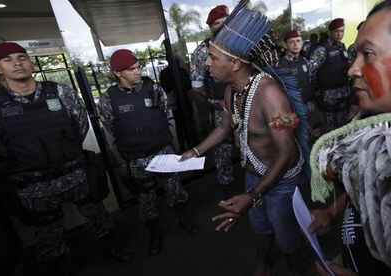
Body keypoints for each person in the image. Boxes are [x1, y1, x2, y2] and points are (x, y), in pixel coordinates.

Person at [181, 7, 310, 275]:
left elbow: (285, 153)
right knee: (259, 227)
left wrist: (251, 196)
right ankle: (263, 264)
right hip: (254, 176)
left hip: (282, 180)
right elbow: (225, 127)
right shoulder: (232, 90)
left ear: (235, 64)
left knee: (287, 238)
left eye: (213, 58)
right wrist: (195, 151)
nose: (207, 64)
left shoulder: (269, 94)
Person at [0, 42, 133, 275]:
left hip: (73, 172)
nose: (17, 63)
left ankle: (111, 247)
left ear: (30, 62)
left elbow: (79, 123)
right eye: (8, 60)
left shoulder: (58, 91)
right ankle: (60, 265)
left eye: (21, 57)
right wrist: (29, 155)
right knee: (48, 230)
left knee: (97, 215)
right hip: (34, 183)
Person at [308, 1, 391, 274]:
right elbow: (367, 185)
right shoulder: (372, 125)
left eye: (368, 54)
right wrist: (332, 212)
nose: (353, 69)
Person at [99, 49, 198, 257]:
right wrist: (122, 162)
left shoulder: (154, 89)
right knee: (146, 199)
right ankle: (155, 233)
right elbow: (111, 133)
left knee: (175, 189)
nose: (138, 72)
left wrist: (175, 149)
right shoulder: (108, 99)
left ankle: (183, 220)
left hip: (163, 151)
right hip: (136, 159)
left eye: (139, 67)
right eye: (131, 69)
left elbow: (166, 117)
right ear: (118, 73)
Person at [190, 4, 234, 199]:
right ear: (211, 27)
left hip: (245, 104)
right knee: (223, 153)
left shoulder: (240, 44)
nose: (222, 26)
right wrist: (217, 101)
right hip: (220, 110)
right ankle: (227, 193)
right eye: (217, 23)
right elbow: (197, 85)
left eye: (226, 21)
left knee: (251, 145)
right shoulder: (202, 52)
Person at [310, 18, 350, 134]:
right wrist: (316, 90)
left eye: (342, 31)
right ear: (331, 32)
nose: (339, 34)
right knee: (329, 131)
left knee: (342, 128)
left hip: (343, 93)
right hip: (328, 96)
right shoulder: (321, 50)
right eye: (337, 31)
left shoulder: (342, 47)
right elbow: (311, 71)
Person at [279, 29, 316, 142]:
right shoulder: (280, 64)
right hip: (293, 109)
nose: (296, 44)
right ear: (285, 45)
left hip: (308, 105)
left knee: (309, 136)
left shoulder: (305, 61)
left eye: (298, 41)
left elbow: (312, 81)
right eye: (291, 42)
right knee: (296, 140)